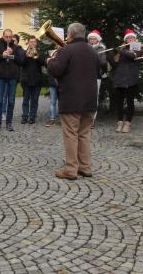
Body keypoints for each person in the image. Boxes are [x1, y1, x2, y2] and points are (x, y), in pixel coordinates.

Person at [46, 23, 101, 180]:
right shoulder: (92, 50)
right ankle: (85, 167)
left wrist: (50, 61)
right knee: (84, 134)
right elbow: (99, 69)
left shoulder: (66, 50)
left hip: (71, 99)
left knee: (71, 134)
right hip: (90, 99)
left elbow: (56, 70)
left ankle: (71, 169)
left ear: (70, 34)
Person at [108, 29, 141, 134]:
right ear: (126, 40)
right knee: (119, 102)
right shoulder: (122, 50)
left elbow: (132, 56)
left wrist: (120, 50)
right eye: (128, 39)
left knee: (130, 102)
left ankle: (128, 123)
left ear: (135, 39)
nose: (130, 40)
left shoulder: (137, 47)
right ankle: (120, 122)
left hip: (131, 79)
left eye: (132, 38)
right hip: (120, 78)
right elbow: (115, 65)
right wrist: (110, 57)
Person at [0, 30, 24, 131]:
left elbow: (21, 61)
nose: (8, 39)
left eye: (10, 37)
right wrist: (2, 55)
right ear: (3, 36)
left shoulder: (16, 47)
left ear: (12, 37)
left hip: (13, 77)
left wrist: (12, 54)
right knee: (0, 100)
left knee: (11, 101)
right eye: (6, 37)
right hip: (1, 77)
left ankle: (9, 122)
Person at [20, 36, 46, 124]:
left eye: (34, 42)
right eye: (31, 42)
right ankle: (24, 116)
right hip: (26, 80)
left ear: (36, 43)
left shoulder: (40, 53)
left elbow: (43, 62)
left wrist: (37, 55)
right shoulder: (24, 53)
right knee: (25, 100)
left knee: (35, 100)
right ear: (28, 43)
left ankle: (32, 116)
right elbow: (21, 63)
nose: (32, 43)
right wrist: (27, 56)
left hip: (37, 80)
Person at [87, 30, 107, 123]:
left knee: (95, 97)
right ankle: (85, 117)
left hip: (96, 75)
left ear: (97, 40)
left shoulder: (101, 49)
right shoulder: (86, 48)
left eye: (94, 38)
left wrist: (95, 56)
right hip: (85, 76)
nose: (92, 40)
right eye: (90, 38)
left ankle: (92, 118)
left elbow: (103, 62)